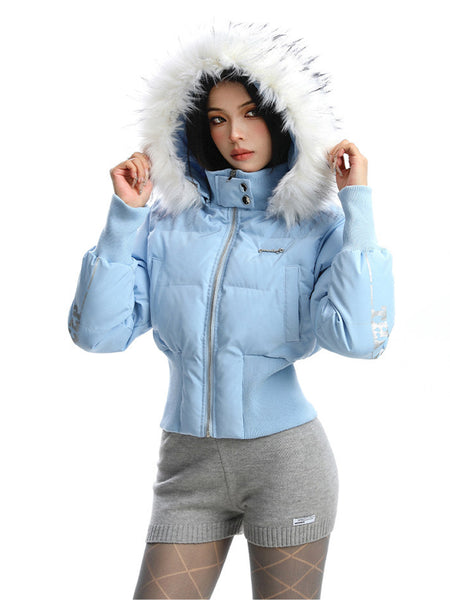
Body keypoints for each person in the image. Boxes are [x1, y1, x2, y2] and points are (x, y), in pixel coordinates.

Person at [69, 22, 394, 599]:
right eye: (217, 119)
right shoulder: (167, 225)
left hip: (286, 465)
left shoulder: (315, 229)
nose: (234, 134)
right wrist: (125, 218)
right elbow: (98, 335)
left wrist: (358, 207)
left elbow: (360, 339)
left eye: (250, 113)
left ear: (284, 120)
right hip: (186, 465)